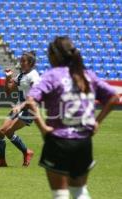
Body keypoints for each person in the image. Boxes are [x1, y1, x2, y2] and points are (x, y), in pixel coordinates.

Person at [13, 36, 119, 199]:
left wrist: (43, 128)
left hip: (58, 140)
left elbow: (31, 101)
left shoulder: (52, 76)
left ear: (55, 56)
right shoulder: (86, 75)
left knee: (60, 194)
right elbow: (114, 98)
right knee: (80, 191)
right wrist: (96, 122)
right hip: (83, 141)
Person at [0, 51, 40, 168]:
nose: (21, 63)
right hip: (19, 108)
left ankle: (26, 152)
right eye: (21, 60)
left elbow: (35, 96)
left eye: (24, 61)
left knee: (7, 131)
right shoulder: (21, 75)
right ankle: (3, 160)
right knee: (1, 131)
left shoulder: (34, 76)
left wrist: (21, 106)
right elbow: (8, 91)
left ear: (30, 63)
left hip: (29, 110)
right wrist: (7, 78)